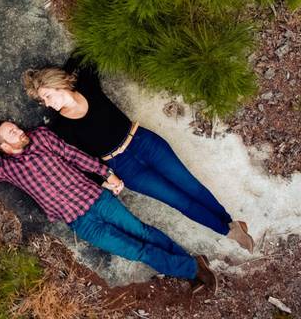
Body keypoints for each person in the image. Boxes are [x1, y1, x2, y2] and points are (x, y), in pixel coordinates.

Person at [23, 62, 254, 252]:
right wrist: (104, 180)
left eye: (48, 96)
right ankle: (229, 231)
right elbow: (77, 162)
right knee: (178, 200)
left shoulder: (87, 85)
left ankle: (230, 222)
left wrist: (61, 74)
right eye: (44, 101)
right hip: (123, 166)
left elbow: (85, 56)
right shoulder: (62, 127)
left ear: (57, 84)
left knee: (189, 185)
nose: (48, 104)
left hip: (144, 142)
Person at [0, 121, 218, 292]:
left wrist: (107, 173)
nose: (19, 131)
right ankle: (193, 266)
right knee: (133, 250)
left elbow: (74, 155)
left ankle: (193, 269)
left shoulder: (41, 137)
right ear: (4, 147)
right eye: (11, 133)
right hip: (79, 221)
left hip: (99, 200)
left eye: (16, 127)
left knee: (142, 233)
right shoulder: (5, 168)